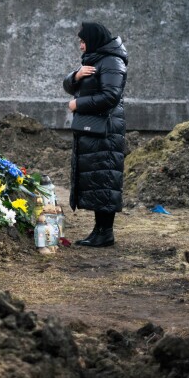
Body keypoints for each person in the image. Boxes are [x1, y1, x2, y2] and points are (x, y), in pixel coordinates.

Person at [63, 22, 128, 247]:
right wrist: (76, 76)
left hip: (106, 130)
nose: (81, 46)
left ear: (93, 40)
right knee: (99, 181)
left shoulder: (112, 61)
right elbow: (69, 86)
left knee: (106, 179)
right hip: (95, 129)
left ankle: (105, 233)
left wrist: (77, 104)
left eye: (83, 42)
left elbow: (110, 96)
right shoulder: (95, 60)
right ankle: (99, 231)